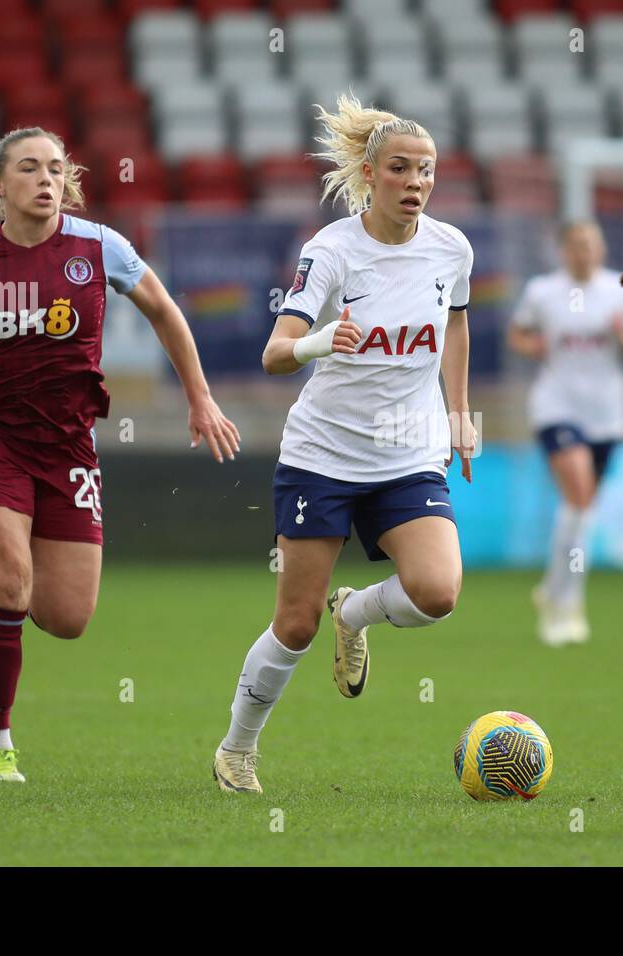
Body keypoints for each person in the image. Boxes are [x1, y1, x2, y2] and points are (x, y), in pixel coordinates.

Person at [0, 127, 240, 783]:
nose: (47, 179)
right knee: (8, 583)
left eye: (56, 168)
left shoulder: (100, 246)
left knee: (66, 617)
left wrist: (200, 398)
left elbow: (166, 311)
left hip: (69, 447)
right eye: (29, 168)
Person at [212, 94, 475, 795]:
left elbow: (456, 326)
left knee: (438, 591)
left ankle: (355, 612)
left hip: (407, 452)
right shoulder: (331, 250)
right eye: (401, 169)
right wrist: (325, 339)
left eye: (426, 171)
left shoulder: (451, 249)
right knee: (295, 624)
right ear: (369, 172)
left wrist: (460, 413)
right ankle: (238, 748)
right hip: (323, 457)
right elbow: (275, 354)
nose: (416, 182)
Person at [507, 221, 623, 646]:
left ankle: (553, 589)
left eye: (590, 245)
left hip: (606, 415)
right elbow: (519, 332)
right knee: (578, 496)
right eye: (576, 246)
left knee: (582, 511)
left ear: (602, 248)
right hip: (557, 407)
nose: (583, 253)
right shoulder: (543, 291)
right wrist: (531, 346)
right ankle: (566, 606)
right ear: (563, 251)